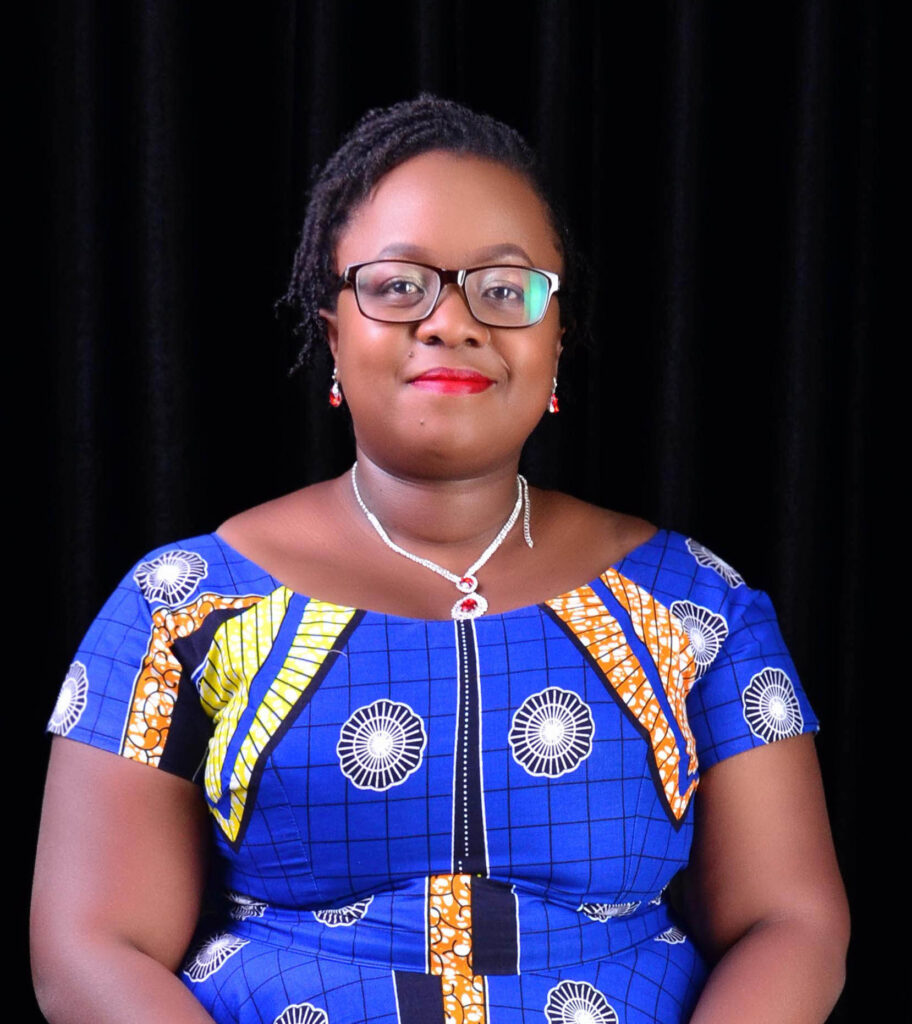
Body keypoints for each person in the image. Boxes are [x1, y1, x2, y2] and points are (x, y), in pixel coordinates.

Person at [32, 96, 848, 1024]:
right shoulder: (182, 604)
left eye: (505, 288)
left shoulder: (698, 602)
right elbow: (89, 946)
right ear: (333, 329)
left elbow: (791, 921)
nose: (452, 322)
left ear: (555, 340)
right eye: (399, 284)